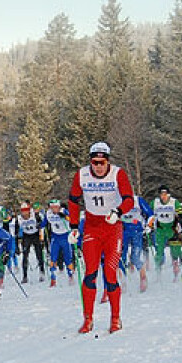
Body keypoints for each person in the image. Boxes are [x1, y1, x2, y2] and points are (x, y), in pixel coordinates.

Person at [68, 142, 135, 334]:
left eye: (102, 162)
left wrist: (119, 211)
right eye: (95, 162)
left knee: (110, 272)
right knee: (90, 272)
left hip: (112, 227)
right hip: (91, 227)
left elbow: (129, 198)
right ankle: (88, 319)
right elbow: (73, 200)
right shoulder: (82, 174)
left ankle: (115, 318)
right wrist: (74, 227)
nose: (98, 166)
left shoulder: (117, 173)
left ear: (108, 161)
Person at [149, 186, 182, 281]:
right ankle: (158, 273)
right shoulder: (155, 203)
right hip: (160, 229)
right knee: (159, 251)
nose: (163, 197)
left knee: (175, 251)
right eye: (162, 194)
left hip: (172, 228)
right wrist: (149, 223)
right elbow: (148, 213)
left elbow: (181, 214)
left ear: (169, 195)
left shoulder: (174, 202)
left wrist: (181, 222)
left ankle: (176, 271)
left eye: (165, 194)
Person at [120, 194, 153, 292]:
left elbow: (150, 214)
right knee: (121, 258)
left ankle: (143, 277)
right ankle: (122, 282)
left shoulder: (137, 200)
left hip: (137, 231)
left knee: (135, 257)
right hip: (122, 231)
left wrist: (149, 225)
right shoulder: (116, 199)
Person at [42, 200, 75, 287]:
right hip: (55, 237)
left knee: (68, 258)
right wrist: (39, 225)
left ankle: (70, 275)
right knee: (53, 258)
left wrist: (65, 216)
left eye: (56, 207)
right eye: (52, 207)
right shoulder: (48, 213)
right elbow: (44, 222)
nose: (54, 209)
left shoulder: (63, 211)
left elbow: (71, 219)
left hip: (65, 236)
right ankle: (53, 278)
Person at [13, 198, 45, 284]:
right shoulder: (19, 219)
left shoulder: (35, 215)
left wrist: (42, 240)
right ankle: (25, 276)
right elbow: (15, 233)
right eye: (23, 211)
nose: (25, 213)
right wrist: (16, 246)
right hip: (26, 236)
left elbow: (42, 227)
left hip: (35, 235)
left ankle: (42, 271)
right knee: (25, 256)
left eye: (26, 210)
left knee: (39, 254)